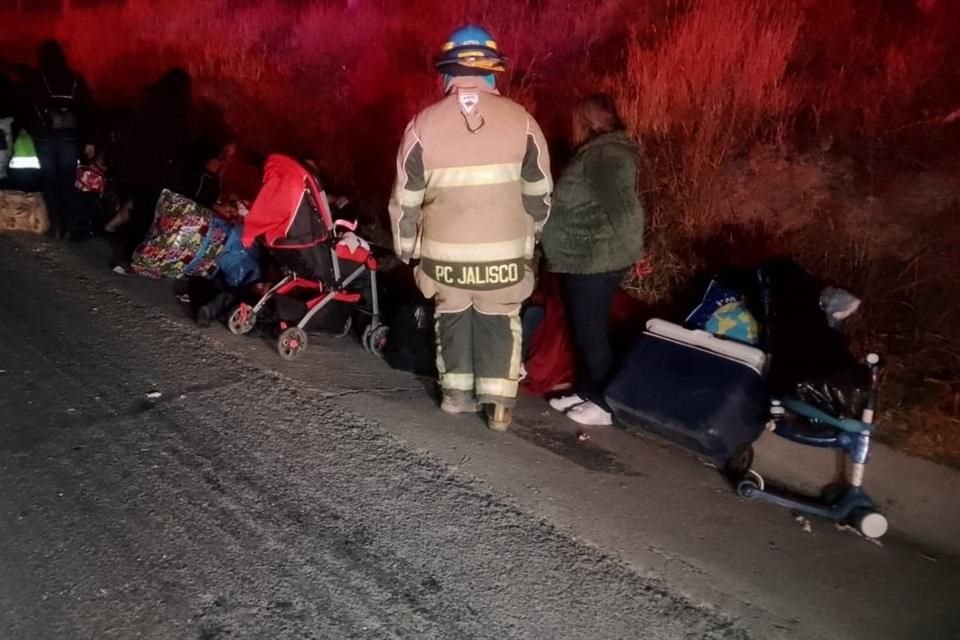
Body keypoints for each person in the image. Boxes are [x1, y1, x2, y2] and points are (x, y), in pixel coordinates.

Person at [388, 25, 552, 431]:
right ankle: (498, 406)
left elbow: (405, 200)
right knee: (500, 317)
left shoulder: (421, 126)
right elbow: (540, 193)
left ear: (446, 72)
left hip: (445, 257)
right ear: (493, 71)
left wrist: (405, 248)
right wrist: (535, 233)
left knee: (452, 316)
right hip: (504, 255)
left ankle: (456, 396)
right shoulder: (523, 122)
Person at [541, 93, 646, 426]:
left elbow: (626, 210)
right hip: (580, 258)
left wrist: (636, 254)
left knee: (592, 333)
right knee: (581, 329)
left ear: (586, 120)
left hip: (597, 258)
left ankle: (604, 403)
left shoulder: (608, 156)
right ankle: (587, 390)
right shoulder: (595, 153)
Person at [26, 40, 95, 239]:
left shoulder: (37, 78)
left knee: (50, 181)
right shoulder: (75, 78)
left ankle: (56, 225)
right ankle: (69, 225)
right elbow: (88, 109)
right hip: (70, 136)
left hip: (45, 136)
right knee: (67, 182)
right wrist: (89, 139)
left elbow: (26, 106)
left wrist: (33, 129)